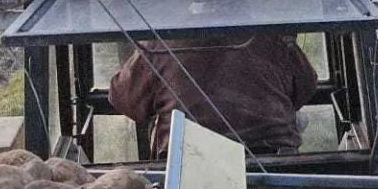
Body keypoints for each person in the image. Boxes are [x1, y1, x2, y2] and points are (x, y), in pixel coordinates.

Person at [108, 34, 318, 158]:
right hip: (274, 158)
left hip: (184, 163)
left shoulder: (160, 44)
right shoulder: (272, 39)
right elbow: (305, 88)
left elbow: (123, 98)